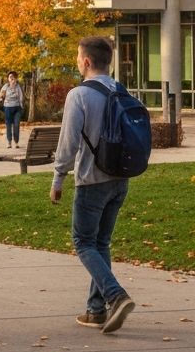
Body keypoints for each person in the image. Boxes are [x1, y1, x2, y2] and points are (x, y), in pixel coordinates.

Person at [50, 36, 136, 334]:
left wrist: (58, 176)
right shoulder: (120, 90)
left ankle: (116, 296)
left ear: (86, 61)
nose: (77, 61)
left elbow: (68, 142)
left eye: (77, 56)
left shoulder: (79, 95)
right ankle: (95, 311)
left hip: (91, 180)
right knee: (101, 243)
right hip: (120, 178)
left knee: (83, 242)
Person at [0, 71, 24, 149]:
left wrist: (21, 106)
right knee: (8, 125)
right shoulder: (6, 86)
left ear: (16, 78)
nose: (12, 78)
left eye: (13, 77)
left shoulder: (18, 87)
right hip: (8, 108)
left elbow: (21, 97)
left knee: (16, 125)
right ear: (8, 79)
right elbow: (1, 96)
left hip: (17, 108)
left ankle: (16, 142)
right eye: (10, 77)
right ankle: (9, 142)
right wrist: (1, 99)